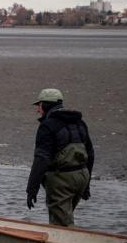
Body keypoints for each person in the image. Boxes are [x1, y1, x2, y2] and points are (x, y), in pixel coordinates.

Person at [26, 88, 94, 226]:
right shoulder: (80, 123)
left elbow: (41, 159)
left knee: (61, 225)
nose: (37, 110)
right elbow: (91, 154)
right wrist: (86, 185)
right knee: (66, 218)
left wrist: (31, 190)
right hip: (82, 176)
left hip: (62, 181)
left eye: (39, 105)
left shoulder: (47, 126)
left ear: (46, 105)